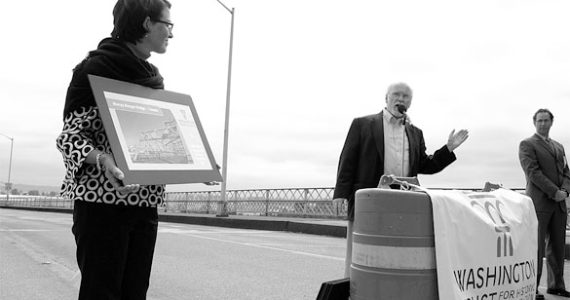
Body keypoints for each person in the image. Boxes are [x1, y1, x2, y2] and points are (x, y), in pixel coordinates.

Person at [56, 0, 173, 299]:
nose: (171, 33)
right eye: (167, 25)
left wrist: (195, 162)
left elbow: (154, 138)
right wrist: (103, 159)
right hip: (101, 203)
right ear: (147, 23)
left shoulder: (152, 77)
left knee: (135, 293)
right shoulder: (94, 69)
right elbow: (69, 137)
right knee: (101, 292)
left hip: (145, 203)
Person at [332, 82, 469, 277]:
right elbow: (348, 160)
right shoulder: (363, 124)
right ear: (386, 98)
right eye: (396, 94)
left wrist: (448, 150)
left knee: (394, 254)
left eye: (406, 97)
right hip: (369, 200)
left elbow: (425, 165)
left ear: (410, 103)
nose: (401, 99)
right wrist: (340, 193)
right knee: (360, 254)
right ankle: (356, 290)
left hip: (403, 201)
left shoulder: (415, 132)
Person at [519, 108, 570, 300]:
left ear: (551, 122)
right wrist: (554, 191)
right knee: (537, 247)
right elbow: (533, 172)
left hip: (559, 204)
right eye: (539, 120)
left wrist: (564, 191)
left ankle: (556, 286)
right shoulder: (527, 144)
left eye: (545, 120)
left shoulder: (559, 146)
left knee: (557, 246)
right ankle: (532, 288)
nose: (542, 123)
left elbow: (566, 172)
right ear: (534, 122)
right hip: (539, 203)